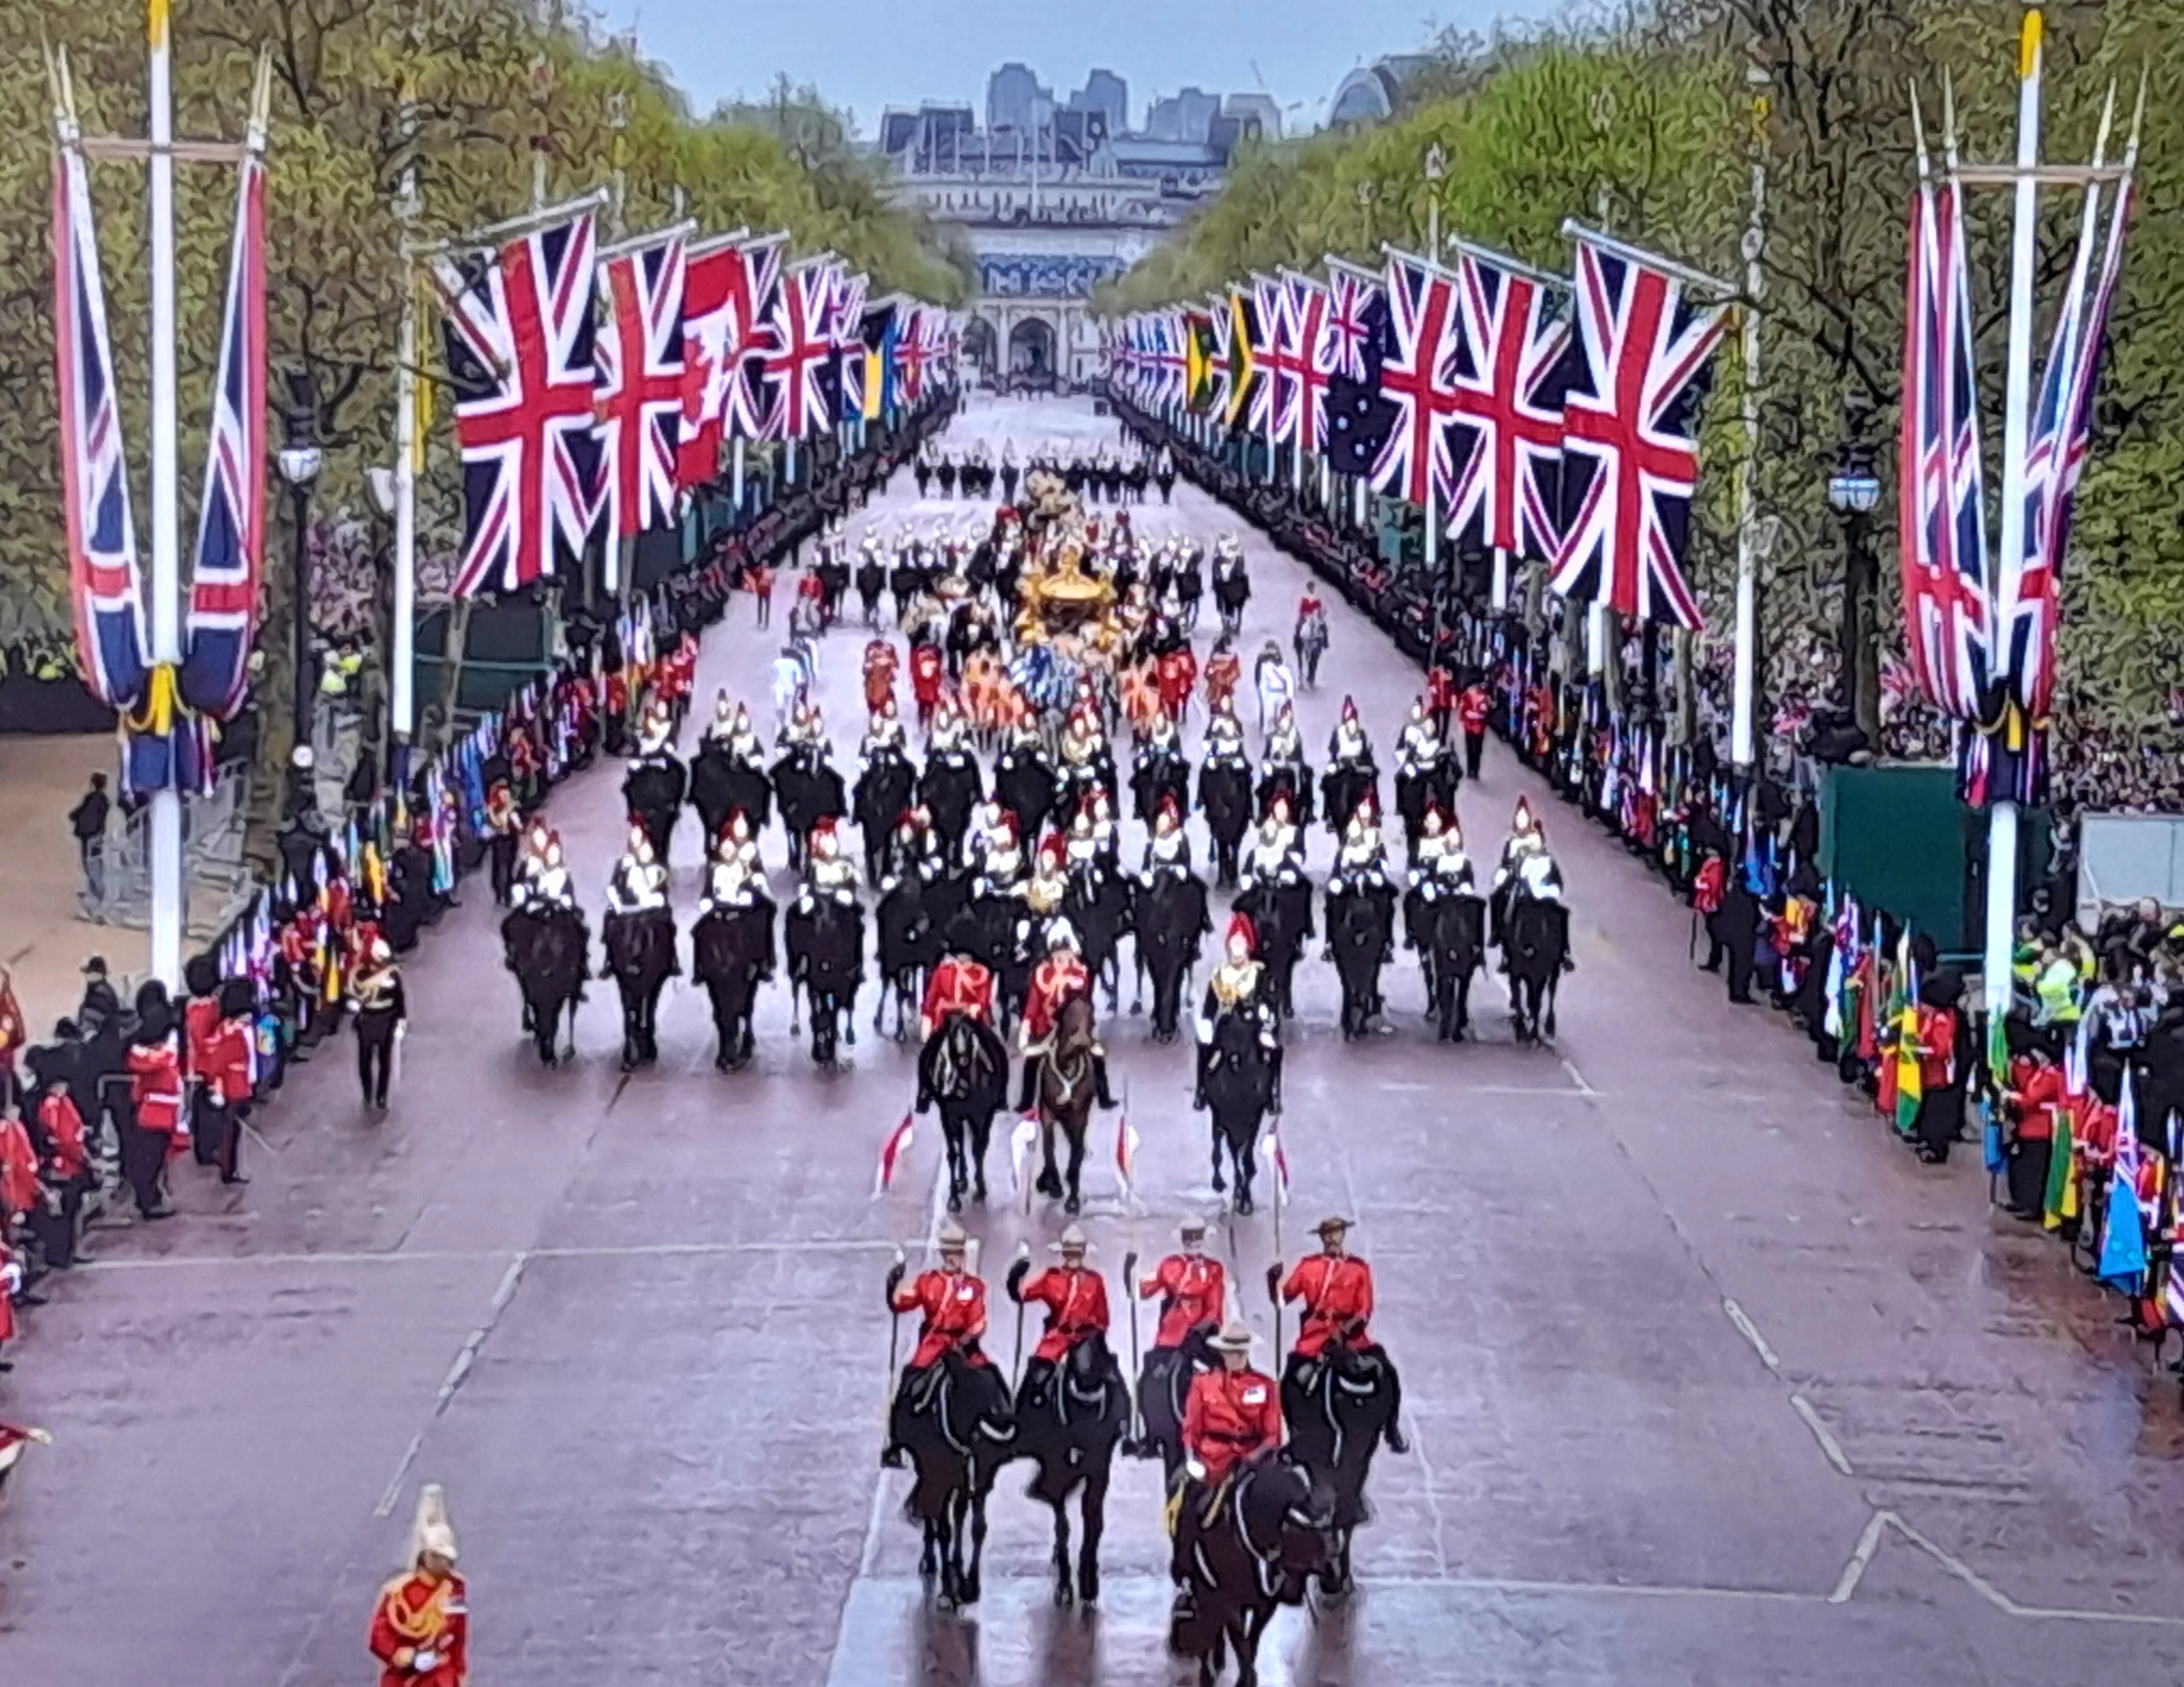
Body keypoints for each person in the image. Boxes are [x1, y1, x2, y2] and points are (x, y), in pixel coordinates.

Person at [1170, 1320, 1283, 1621]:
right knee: (1187, 1508)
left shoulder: (1265, 1386)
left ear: (1245, 1352)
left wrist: (1254, 1457)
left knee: (1284, 1507)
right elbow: (1191, 1428)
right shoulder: (1202, 1383)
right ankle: (1185, 1574)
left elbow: (1273, 1435)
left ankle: (1282, 1573)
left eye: (1239, 1351)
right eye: (1229, 1352)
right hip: (1213, 1462)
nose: (1234, 1357)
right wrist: (1193, 1457)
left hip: (1251, 1463)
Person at [1279, 1216, 1404, 1450]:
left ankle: (1392, 1428)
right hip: (1315, 1337)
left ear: (1342, 1236)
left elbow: (1365, 1309)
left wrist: (1345, 1331)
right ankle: (1293, 1433)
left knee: (1388, 1371)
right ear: (1322, 1238)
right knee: (1289, 1378)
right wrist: (1273, 1280)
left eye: (1336, 1233)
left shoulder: (1359, 1269)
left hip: (1352, 1337)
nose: (1332, 1238)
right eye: (1327, 1234)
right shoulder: (1308, 1266)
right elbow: (1283, 1298)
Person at [882, 1221, 991, 1467]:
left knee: (990, 1379)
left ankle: (1004, 1427)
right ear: (944, 1255)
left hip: (962, 1343)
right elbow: (903, 1303)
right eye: (950, 1254)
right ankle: (896, 1441)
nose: (955, 1259)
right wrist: (893, 1284)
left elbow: (979, 1319)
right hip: (936, 1340)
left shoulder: (974, 1286)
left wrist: (969, 1337)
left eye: (958, 1253)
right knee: (910, 1380)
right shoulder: (928, 1281)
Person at [369, 1484, 469, 1687]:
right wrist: (399, 1654)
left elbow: (457, 1636)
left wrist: (460, 1673)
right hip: (404, 1676)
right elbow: (379, 1635)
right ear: (426, 1557)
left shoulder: (454, 1588)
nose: (447, 1565)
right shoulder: (398, 1594)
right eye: (440, 1558)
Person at [1006, 1224, 1111, 1411]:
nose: (1073, 1258)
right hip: (1059, 1335)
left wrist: (1099, 1339)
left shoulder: (1095, 1280)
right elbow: (1023, 1295)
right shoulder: (1051, 1277)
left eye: (1077, 1253)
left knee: (1086, 1370)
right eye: (1069, 1253)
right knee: (1039, 1371)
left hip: (1085, 1336)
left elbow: (1102, 1317)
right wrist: (1016, 1277)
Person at [1138, 1217, 1227, 1351]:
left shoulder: (1213, 1268)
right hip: (1173, 1330)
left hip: (1202, 1332)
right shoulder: (1170, 1264)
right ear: (1183, 1239)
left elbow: (1215, 1303)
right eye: (1189, 1237)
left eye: (1197, 1236)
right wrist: (1132, 1277)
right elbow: (1146, 1290)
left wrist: (1203, 1328)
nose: (1193, 1241)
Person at [350, 939, 407, 1112]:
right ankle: (368, 1094)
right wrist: (355, 1004)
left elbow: (399, 999)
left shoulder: (393, 974)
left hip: (387, 1019)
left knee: (385, 1062)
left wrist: (401, 1021)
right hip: (368, 1019)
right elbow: (355, 992)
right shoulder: (362, 972)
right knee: (364, 1062)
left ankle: (381, 1096)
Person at [918, 947, 995, 1042]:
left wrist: (928, 1015)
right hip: (950, 1012)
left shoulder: (980, 972)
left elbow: (984, 998)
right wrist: (928, 1016)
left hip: (962, 1012)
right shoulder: (980, 972)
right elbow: (932, 996)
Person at [69, 772, 110, 914]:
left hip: (88, 834)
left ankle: (96, 895)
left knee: (90, 863)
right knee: (92, 863)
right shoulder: (104, 801)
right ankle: (93, 892)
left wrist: (73, 816)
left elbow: (80, 812)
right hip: (94, 834)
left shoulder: (91, 798)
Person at [1458, 676, 1492, 779]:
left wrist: (1481, 715)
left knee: (1477, 750)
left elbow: (1487, 712)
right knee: (1470, 750)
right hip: (1469, 727)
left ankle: (1475, 771)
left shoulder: (1484, 697)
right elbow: (1462, 712)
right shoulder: (1466, 697)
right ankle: (1470, 770)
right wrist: (1468, 716)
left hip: (1479, 728)